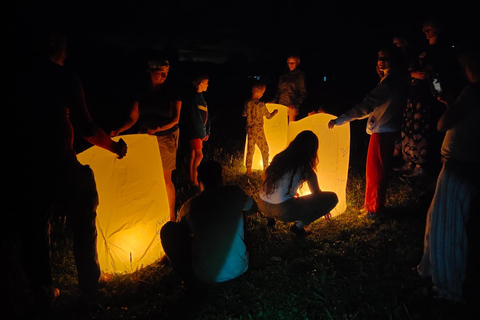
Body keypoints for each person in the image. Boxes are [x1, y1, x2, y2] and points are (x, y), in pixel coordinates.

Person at [9, 27, 127, 313]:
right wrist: (114, 147)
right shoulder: (62, 77)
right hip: (58, 160)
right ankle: (90, 284)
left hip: (26, 163)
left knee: (35, 228)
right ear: (58, 49)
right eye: (65, 48)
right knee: (84, 217)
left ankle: (44, 291)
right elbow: (87, 127)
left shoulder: (17, 78)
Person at [416, 47, 480, 304]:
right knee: (436, 217)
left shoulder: (474, 92)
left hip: (459, 165)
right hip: (467, 163)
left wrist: (451, 107)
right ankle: (427, 268)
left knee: (448, 227)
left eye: (466, 64)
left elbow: (444, 124)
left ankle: (446, 288)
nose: (464, 70)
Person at [328, 45, 409, 219]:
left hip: (383, 130)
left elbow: (367, 105)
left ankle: (374, 209)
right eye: (379, 57)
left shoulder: (390, 81)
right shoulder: (392, 79)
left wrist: (340, 120)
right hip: (385, 128)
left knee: (376, 171)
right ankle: (371, 205)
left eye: (385, 57)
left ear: (394, 60)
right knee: (375, 170)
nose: (381, 61)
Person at [160, 160, 255, 283]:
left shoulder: (189, 206)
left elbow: (181, 232)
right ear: (221, 178)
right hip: (239, 268)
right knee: (241, 210)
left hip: (203, 274)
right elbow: (253, 208)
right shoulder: (234, 193)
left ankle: (187, 279)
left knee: (168, 230)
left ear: (199, 179)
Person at [396, 17, 459, 178]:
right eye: (424, 30)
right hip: (414, 94)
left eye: (428, 29)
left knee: (423, 130)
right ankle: (410, 159)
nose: (425, 33)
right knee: (411, 127)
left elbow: (438, 74)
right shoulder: (424, 51)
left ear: (437, 28)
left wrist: (438, 92)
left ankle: (422, 164)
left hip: (426, 96)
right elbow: (412, 66)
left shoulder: (442, 50)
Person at [258, 130, 338, 236]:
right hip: (283, 211)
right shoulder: (305, 167)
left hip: (262, 204)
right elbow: (317, 194)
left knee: (281, 196)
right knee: (332, 198)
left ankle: (270, 220)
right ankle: (298, 227)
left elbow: (272, 180)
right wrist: (323, 207)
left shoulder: (279, 157)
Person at [134, 58, 182, 221]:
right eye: (161, 72)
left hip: (165, 137)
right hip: (144, 139)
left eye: (166, 73)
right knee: (146, 175)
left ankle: (170, 216)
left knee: (165, 178)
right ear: (150, 72)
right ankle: (149, 210)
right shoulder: (142, 91)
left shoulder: (172, 92)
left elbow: (175, 118)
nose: (164, 76)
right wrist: (118, 129)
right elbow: (133, 116)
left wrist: (158, 128)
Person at [180, 74, 210, 187]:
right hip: (195, 131)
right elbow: (195, 117)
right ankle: (196, 182)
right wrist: (202, 132)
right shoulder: (193, 97)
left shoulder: (200, 97)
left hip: (198, 131)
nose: (208, 85)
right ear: (200, 84)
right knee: (199, 155)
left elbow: (206, 115)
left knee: (193, 154)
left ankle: (192, 179)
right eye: (206, 83)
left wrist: (207, 131)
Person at [243, 81, 278, 175]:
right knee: (264, 149)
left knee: (250, 149)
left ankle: (249, 169)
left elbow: (244, 114)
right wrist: (274, 112)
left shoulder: (247, 103)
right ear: (261, 91)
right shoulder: (261, 104)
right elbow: (268, 116)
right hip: (258, 129)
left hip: (249, 129)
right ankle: (266, 168)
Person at [271, 54, 306, 123]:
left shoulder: (300, 76)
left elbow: (303, 93)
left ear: (297, 63)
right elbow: (279, 92)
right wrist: (272, 102)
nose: (290, 65)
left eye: (293, 63)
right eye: (289, 63)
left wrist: (295, 104)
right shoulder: (283, 76)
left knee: (290, 128)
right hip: (281, 106)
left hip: (291, 108)